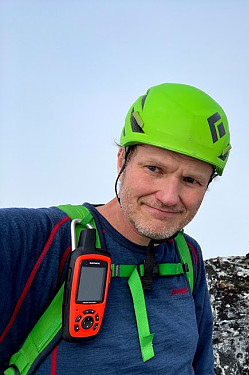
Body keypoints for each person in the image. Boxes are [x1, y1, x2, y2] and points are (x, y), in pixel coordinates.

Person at [0, 83, 231, 374]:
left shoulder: (187, 256)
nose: (169, 197)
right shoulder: (38, 238)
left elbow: (201, 365)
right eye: (154, 169)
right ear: (122, 159)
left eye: (191, 180)